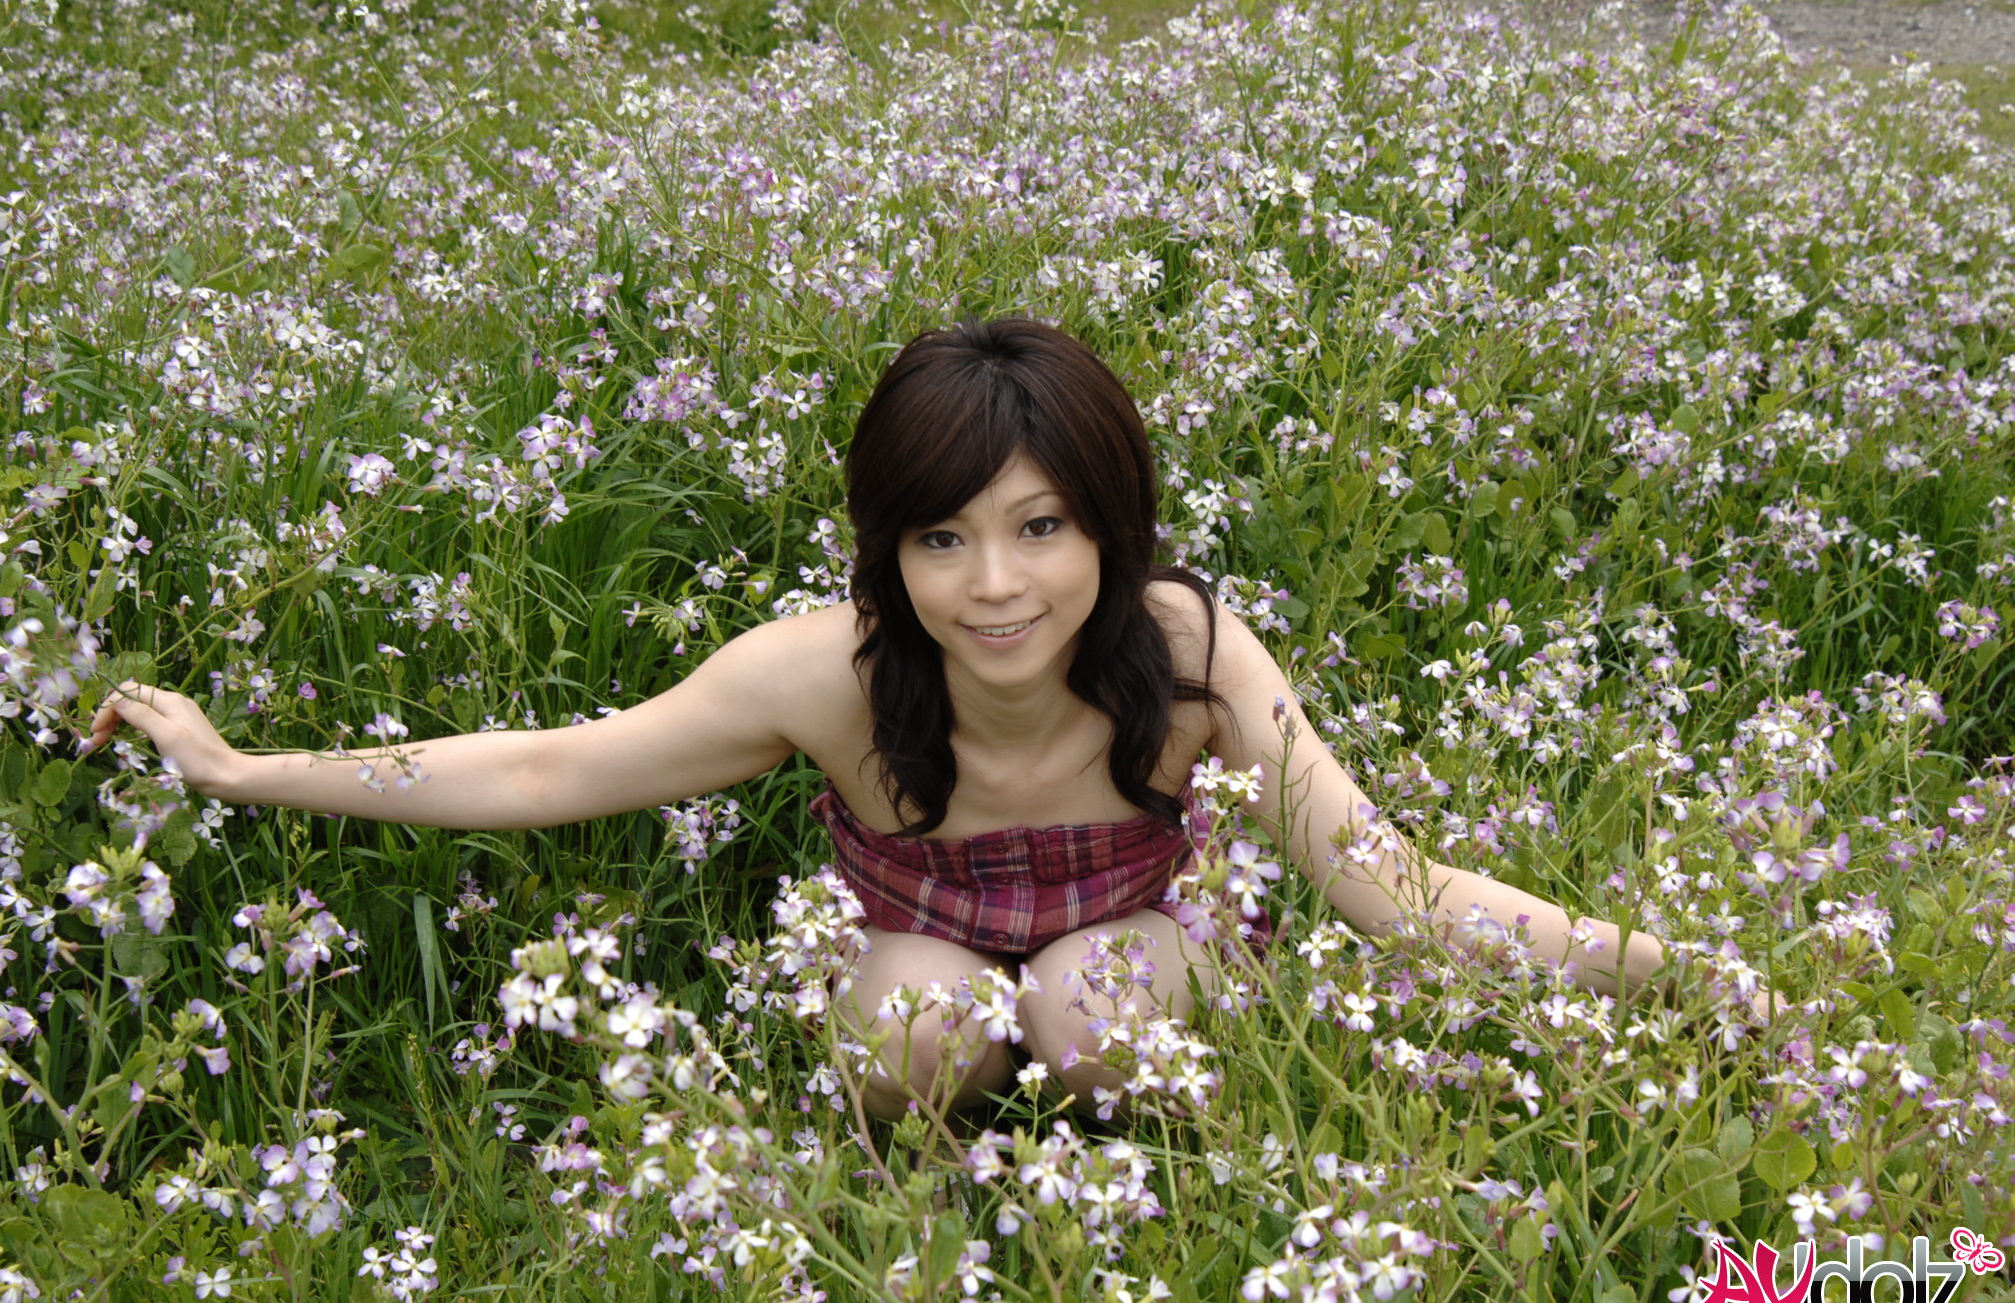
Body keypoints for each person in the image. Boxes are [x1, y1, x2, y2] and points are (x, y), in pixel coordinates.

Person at [83, 317, 1679, 1125]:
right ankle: (924, 1172)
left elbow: (1390, 885)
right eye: (940, 537)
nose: (995, 586)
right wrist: (241, 767)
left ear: (1113, 527)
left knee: (1087, 1018)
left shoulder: (1189, 651)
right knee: (929, 1032)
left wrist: (1671, 976)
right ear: (885, 549)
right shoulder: (824, 673)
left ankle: (1141, 1162)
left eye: (1043, 527)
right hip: (917, 957)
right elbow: (552, 767)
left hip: (1139, 950)